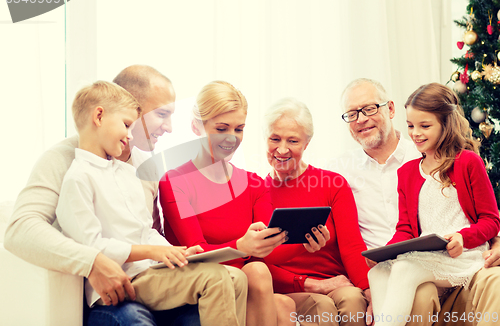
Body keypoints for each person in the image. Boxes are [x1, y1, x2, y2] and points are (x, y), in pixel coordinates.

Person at [4, 65, 201, 326]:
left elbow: (148, 233)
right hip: (102, 299)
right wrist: (92, 261)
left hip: (147, 284)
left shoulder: (146, 168)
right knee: (133, 319)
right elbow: (20, 229)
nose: (170, 127)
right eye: (162, 114)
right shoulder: (63, 160)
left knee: (199, 316)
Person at [56, 80, 246, 326]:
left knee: (237, 278)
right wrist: (153, 252)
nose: (130, 134)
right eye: (126, 125)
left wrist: (176, 252)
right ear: (99, 117)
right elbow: (91, 248)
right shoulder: (78, 178)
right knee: (217, 277)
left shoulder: (127, 172)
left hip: (150, 273)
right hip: (124, 279)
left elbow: (145, 231)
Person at [330, 78, 500, 326]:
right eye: (411, 126)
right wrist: (383, 253)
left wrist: (465, 237)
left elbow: (491, 219)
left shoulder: (467, 162)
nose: (416, 133)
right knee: (378, 271)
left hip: (462, 256)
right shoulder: (408, 171)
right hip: (427, 255)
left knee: (404, 270)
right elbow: (406, 228)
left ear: (445, 123)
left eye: (425, 125)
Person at [160, 81, 329, 326]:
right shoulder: (175, 181)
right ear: (196, 126)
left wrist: (306, 242)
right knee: (263, 279)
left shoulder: (253, 183)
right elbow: (195, 251)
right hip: (200, 283)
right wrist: (241, 247)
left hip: (249, 284)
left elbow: (268, 247)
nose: (232, 138)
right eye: (221, 128)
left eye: (239, 129)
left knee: (283, 302)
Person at [262, 97, 373, 326]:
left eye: (292, 141)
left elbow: (352, 247)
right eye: (275, 139)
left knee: (353, 299)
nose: (282, 149)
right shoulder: (256, 193)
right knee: (321, 307)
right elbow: (256, 262)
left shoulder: (333, 184)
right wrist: (308, 283)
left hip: (337, 281)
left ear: (306, 143)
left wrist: (369, 290)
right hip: (288, 288)